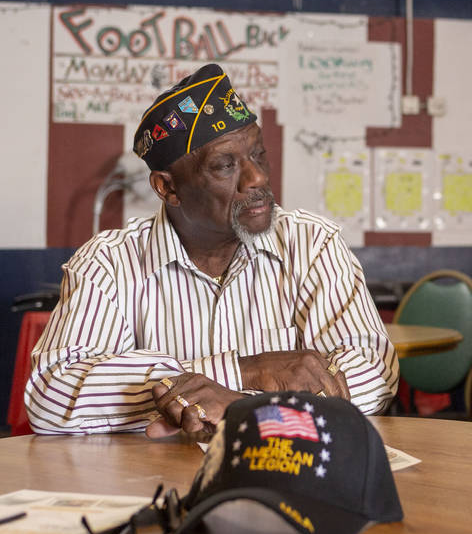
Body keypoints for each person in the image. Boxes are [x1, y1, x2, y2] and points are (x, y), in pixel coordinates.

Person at [26, 64, 399, 436]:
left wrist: (244, 409)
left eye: (259, 154)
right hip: (150, 484)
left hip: (286, 481)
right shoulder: (109, 263)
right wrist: (242, 370)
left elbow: (373, 373)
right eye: (225, 165)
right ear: (168, 188)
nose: (258, 178)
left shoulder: (311, 245)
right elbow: (50, 395)